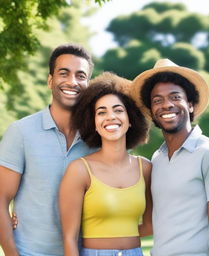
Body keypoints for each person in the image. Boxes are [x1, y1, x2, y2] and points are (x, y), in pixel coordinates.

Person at [131, 59, 209, 256]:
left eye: (175, 97)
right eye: (157, 100)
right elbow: (156, 224)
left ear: (190, 104)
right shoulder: (158, 158)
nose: (166, 105)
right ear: (152, 112)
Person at [0, 43, 95, 256]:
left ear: (88, 84)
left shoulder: (97, 139)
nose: (72, 81)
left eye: (81, 76)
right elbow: (1, 199)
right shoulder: (21, 132)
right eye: (64, 73)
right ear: (50, 80)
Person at [59, 72, 152, 256]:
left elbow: (150, 225)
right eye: (101, 112)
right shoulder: (79, 170)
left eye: (118, 110)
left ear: (130, 119)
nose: (110, 117)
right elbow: (69, 238)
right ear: (93, 122)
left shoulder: (146, 169)